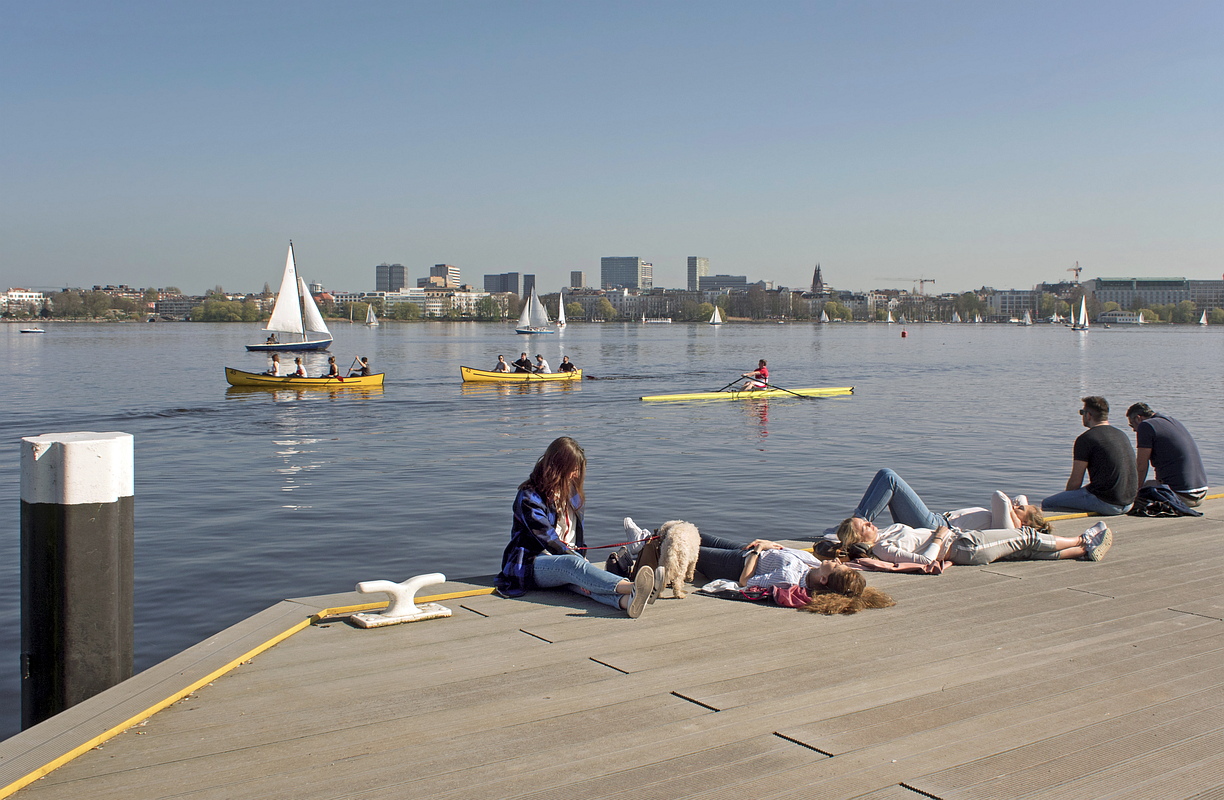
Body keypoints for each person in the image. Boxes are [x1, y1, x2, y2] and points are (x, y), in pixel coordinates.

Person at [495, 437, 659, 618]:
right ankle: (633, 587)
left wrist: (581, 560)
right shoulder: (528, 497)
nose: (576, 474)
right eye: (573, 469)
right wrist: (578, 559)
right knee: (572, 565)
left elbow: (574, 536)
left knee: (583, 583)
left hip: (567, 560)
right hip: (530, 564)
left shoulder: (572, 493)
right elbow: (549, 540)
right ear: (558, 467)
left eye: (578, 469)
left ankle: (626, 602)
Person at [836, 468, 1110, 565]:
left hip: (940, 529)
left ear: (1023, 519)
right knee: (1022, 548)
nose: (1018, 504)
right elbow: (1017, 501)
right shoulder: (1005, 518)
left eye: (1021, 509)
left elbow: (1000, 496)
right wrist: (1022, 507)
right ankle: (1082, 548)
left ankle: (1081, 542)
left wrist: (1016, 512)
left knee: (889, 477)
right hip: (938, 528)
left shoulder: (1003, 520)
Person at [624, 520, 894, 615]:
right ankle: (650, 537)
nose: (836, 561)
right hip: (750, 549)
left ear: (824, 581)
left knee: (685, 544)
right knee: (694, 531)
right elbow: (783, 550)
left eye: (836, 567)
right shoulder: (814, 563)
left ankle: (644, 544)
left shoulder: (790, 579)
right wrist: (767, 543)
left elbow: (745, 582)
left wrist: (757, 553)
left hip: (734, 564)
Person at [1042, 396, 1137, 515]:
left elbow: (1076, 481)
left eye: (1082, 412)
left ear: (1088, 415)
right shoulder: (1121, 435)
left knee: (1048, 503)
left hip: (1108, 503)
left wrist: (1067, 497)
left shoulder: (1086, 439)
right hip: (1128, 503)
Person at [1126, 402, 1208, 507]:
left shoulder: (1145, 425)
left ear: (1138, 418)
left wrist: (1134, 494)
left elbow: (1141, 465)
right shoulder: (1172, 421)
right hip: (1201, 494)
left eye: (1132, 425)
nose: (1133, 430)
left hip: (1180, 496)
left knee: (1143, 488)